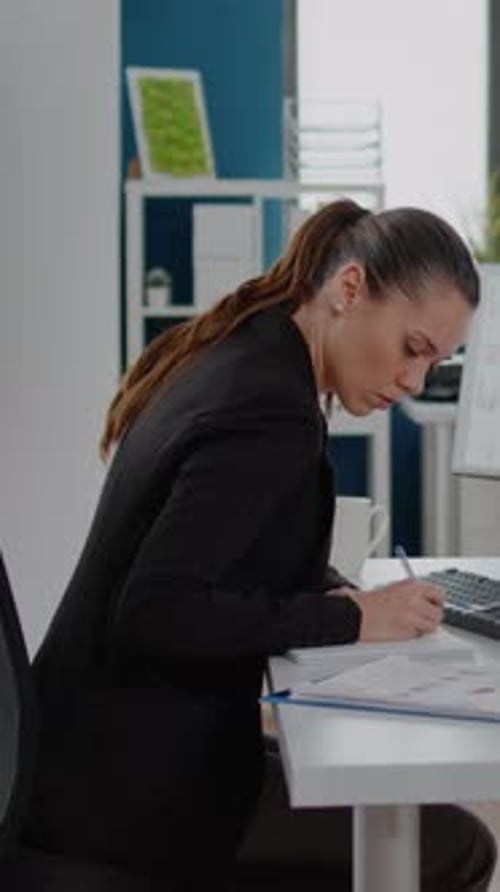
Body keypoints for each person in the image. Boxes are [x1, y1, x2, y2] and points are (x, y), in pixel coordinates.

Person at [16, 199, 496, 890]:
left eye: (434, 362)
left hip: (81, 761)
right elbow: (158, 610)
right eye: (413, 349)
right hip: (128, 797)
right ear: (350, 289)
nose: (415, 381)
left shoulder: (248, 351)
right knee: (453, 848)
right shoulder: (270, 409)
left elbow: (233, 545)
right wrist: (352, 617)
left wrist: (332, 589)